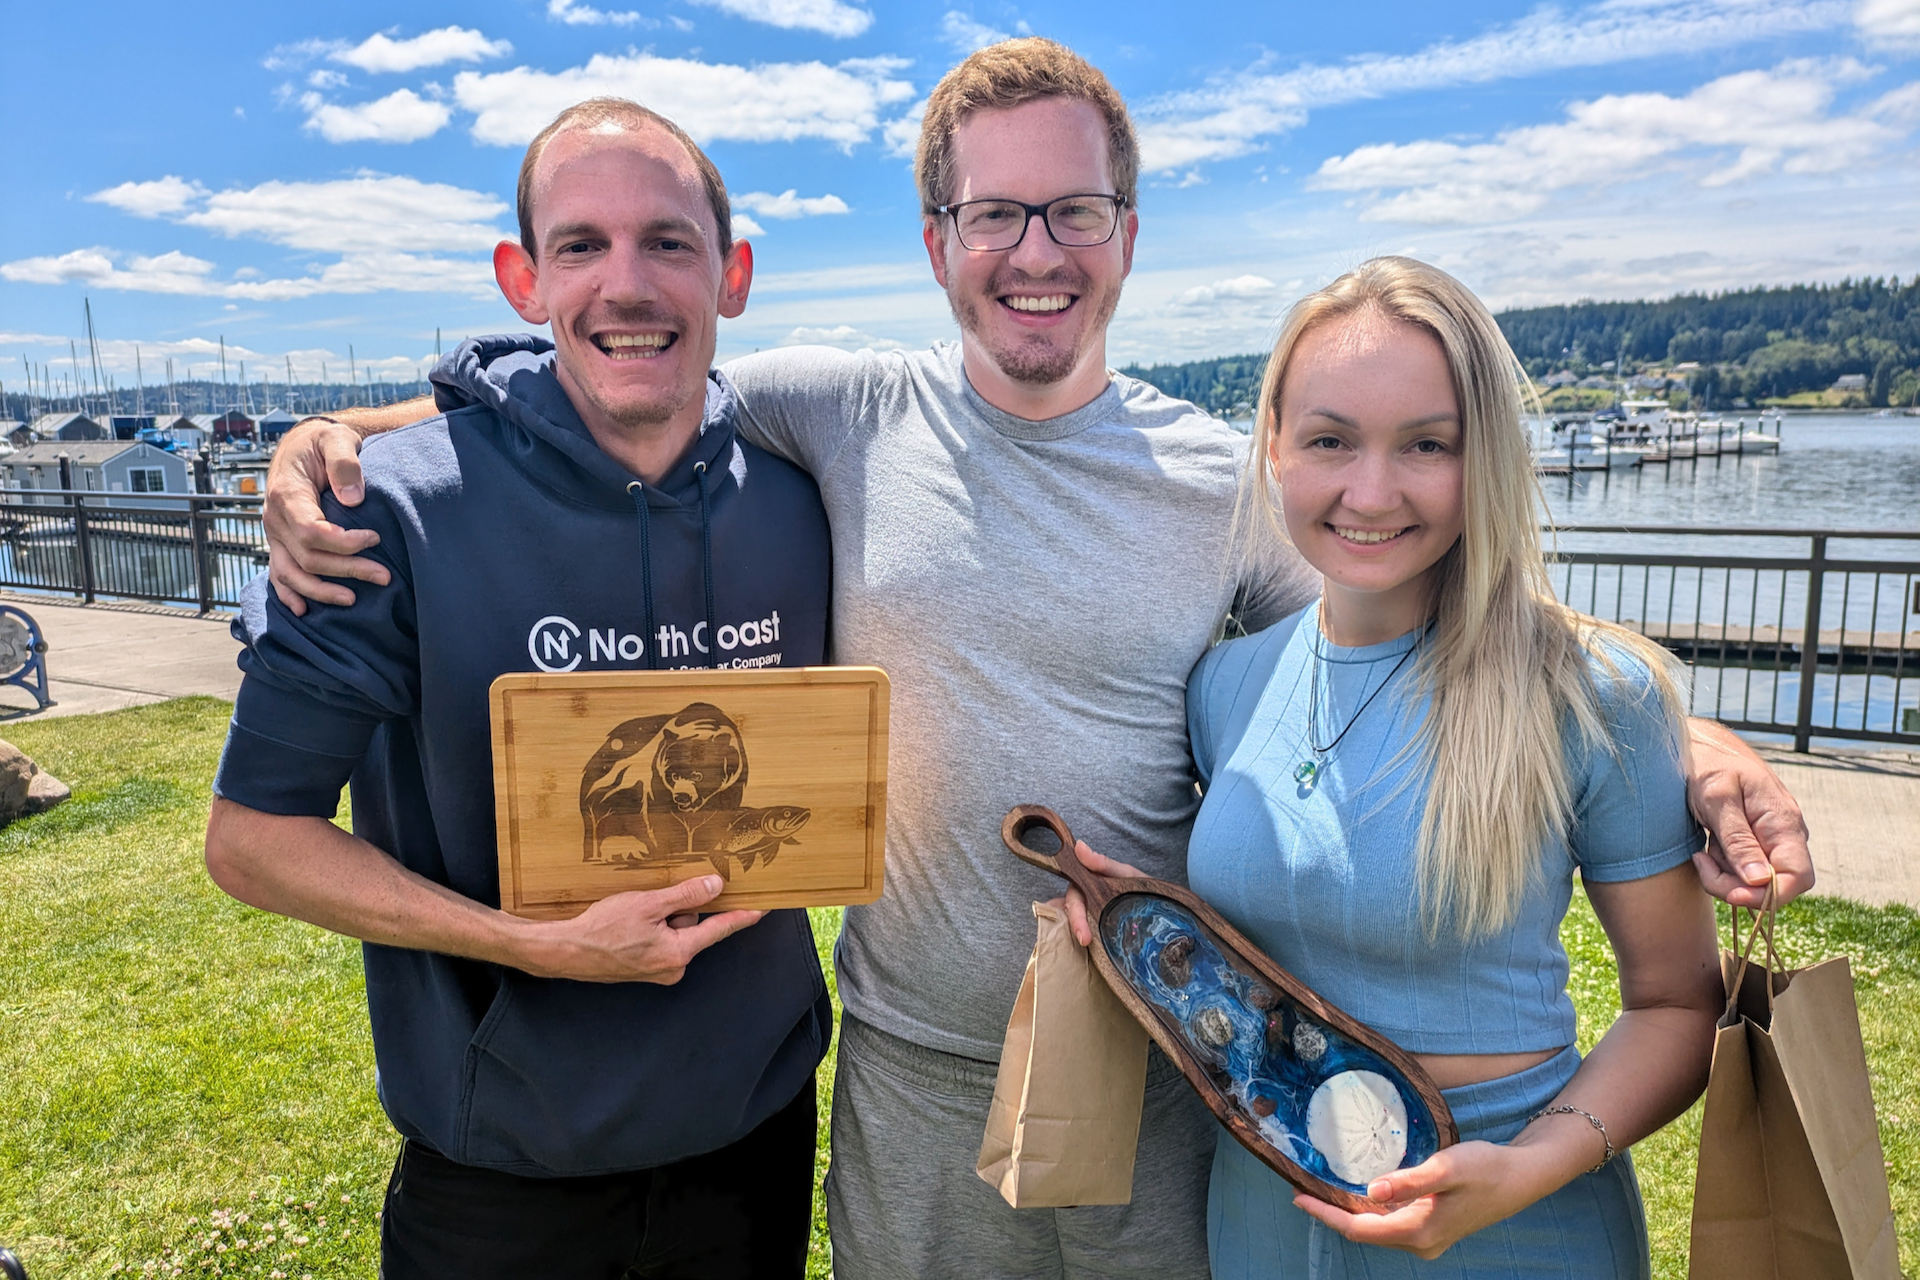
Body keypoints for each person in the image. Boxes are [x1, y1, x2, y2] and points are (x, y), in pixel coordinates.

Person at [260, 40, 1810, 1280]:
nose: (1035, 252)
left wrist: (1686, 735)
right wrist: (336, 440)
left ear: (1128, 234)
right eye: (993, 213)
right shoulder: (838, 409)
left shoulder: (1231, 478)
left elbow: (1429, 589)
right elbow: (608, 379)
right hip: (906, 1075)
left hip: (1174, 1069)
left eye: (1074, 211)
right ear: (938, 240)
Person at [203, 99, 834, 1280]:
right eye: (581, 245)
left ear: (733, 275)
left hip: (755, 1135)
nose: (627, 285)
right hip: (503, 1170)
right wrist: (529, 945)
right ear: (522, 278)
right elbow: (250, 839)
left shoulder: (805, 496)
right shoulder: (385, 514)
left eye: (669, 242)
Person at [1074, 256, 1721, 1276]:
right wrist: (1130, 924)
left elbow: (1679, 1003)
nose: (1371, 491)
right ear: (1275, 447)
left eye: (1426, 444)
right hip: (1264, 1214)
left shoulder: (1593, 693)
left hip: (1513, 1219)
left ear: (1486, 459)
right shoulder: (1225, 685)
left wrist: (1528, 1165)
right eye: (1331, 439)